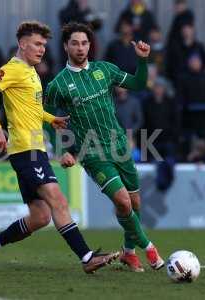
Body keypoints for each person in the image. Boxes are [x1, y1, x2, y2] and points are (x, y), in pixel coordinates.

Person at [0, 21, 118, 275]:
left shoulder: (31, 71)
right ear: (22, 44)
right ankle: (87, 257)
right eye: (37, 44)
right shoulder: (13, 69)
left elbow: (30, 108)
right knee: (58, 200)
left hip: (34, 149)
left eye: (44, 45)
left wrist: (51, 119)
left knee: (40, 217)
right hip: (25, 150)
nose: (42, 50)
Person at [45, 22, 164, 273]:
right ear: (66, 46)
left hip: (119, 146)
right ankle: (149, 247)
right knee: (123, 202)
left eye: (85, 43)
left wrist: (142, 61)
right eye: (75, 43)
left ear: (91, 45)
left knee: (136, 203)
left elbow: (138, 84)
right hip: (91, 153)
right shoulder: (58, 84)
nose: (80, 48)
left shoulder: (104, 70)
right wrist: (61, 150)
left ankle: (129, 253)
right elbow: (46, 119)